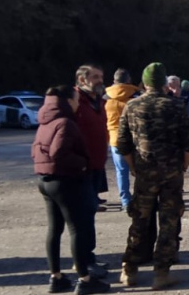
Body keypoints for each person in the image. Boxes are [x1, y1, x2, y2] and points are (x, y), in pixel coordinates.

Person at [118, 63, 189, 290]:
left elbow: (122, 144)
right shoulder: (176, 105)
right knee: (169, 222)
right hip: (171, 172)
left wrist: (134, 167)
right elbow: (188, 143)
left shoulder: (131, 106)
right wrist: (183, 166)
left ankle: (129, 269)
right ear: (163, 83)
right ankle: (161, 272)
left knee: (139, 220)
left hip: (144, 171)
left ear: (144, 83)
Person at [33, 85, 109, 294]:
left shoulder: (46, 121)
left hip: (45, 180)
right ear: (67, 101)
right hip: (66, 181)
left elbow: (37, 150)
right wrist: (83, 164)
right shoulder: (65, 123)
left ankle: (56, 277)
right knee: (77, 230)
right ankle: (85, 279)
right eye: (75, 100)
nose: (78, 104)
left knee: (54, 229)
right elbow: (59, 152)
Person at [74, 65, 109, 271]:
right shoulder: (75, 101)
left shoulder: (98, 101)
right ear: (82, 80)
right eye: (95, 77)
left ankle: (89, 258)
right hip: (81, 169)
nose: (100, 81)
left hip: (97, 167)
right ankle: (83, 263)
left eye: (101, 77)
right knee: (82, 218)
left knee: (90, 214)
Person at [105, 68, 140, 211]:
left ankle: (125, 201)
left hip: (115, 138)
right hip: (135, 137)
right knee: (140, 170)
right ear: (128, 80)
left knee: (121, 171)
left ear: (114, 80)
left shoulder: (105, 97)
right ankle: (141, 198)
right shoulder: (136, 95)